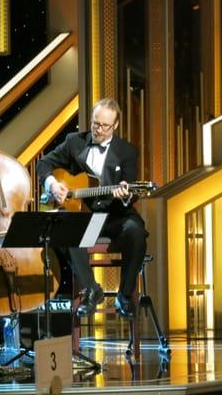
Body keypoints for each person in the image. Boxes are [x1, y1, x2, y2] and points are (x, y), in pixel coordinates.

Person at [36, 98, 148, 319]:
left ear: (115, 126)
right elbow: (43, 164)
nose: (98, 129)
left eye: (104, 125)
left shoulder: (127, 151)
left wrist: (125, 193)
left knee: (136, 232)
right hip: (87, 216)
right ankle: (91, 289)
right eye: (95, 123)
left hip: (116, 215)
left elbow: (130, 187)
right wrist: (52, 184)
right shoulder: (74, 142)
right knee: (65, 229)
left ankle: (123, 295)